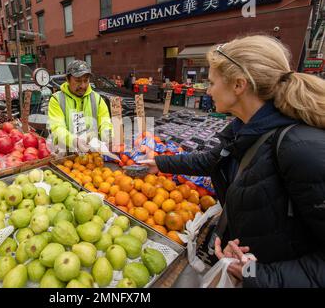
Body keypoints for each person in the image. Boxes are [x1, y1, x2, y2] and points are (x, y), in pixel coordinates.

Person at [144, 35, 325, 287]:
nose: (207, 91)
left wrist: (256, 275)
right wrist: (160, 163)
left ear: (238, 85)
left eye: (211, 82)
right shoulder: (243, 130)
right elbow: (211, 160)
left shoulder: (301, 148)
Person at [48, 60, 113, 153]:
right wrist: (74, 141)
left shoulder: (97, 99)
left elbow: (105, 123)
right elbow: (57, 128)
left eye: (86, 81)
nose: (82, 85)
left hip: (93, 154)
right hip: (66, 155)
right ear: (67, 79)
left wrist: (108, 137)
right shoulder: (57, 100)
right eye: (78, 81)